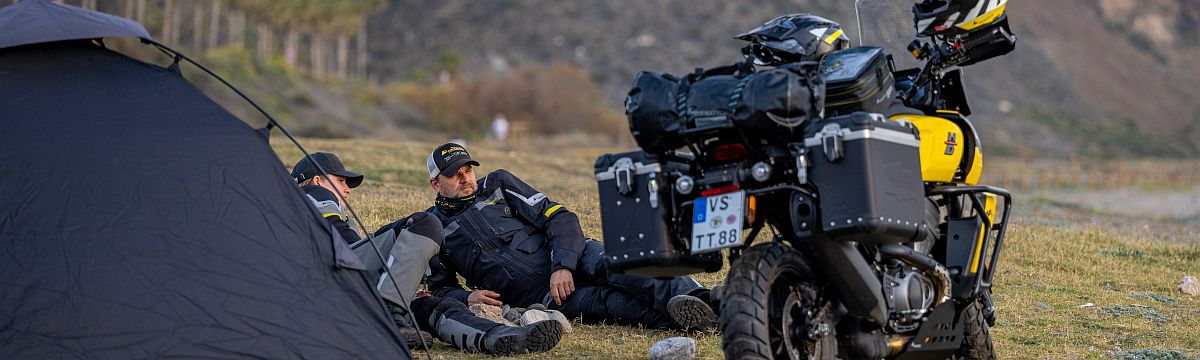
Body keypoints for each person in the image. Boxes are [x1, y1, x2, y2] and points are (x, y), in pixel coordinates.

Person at [422, 143, 719, 331]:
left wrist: (562, 264)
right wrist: (467, 296)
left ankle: (702, 299)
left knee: (635, 269)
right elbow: (439, 288)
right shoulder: (432, 227)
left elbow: (559, 216)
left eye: (468, 170)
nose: (465, 179)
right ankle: (705, 321)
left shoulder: (498, 183)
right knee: (616, 307)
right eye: (454, 175)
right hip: (546, 298)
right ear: (436, 184)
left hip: (576, 256)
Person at [291, 152, 563, 356]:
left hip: (335, 304)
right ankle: (390, 315)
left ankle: (498, 336)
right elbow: (345, 246)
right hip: (336, 283)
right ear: (318, 179)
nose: (347, 189)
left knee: (431, 307)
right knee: (425, 223)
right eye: (341, 180)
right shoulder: (312, 194)